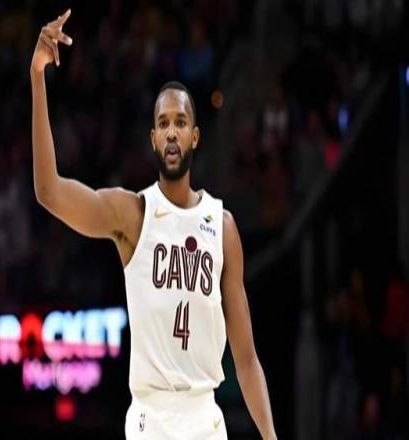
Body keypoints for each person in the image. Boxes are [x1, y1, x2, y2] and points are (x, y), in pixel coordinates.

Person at [30, 9, 277, 440]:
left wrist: (270, 436)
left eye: (180, 123)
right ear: (153, 139)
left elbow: (247, 359)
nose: (171, 132)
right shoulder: (133, 214)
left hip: (206, 417)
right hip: (153, 418)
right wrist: (37, 79)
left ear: (195, 136)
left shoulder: (222, 227)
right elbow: (49, 192)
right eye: (163, 124)